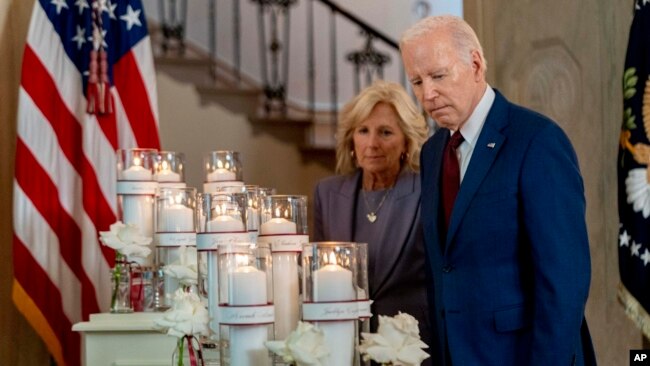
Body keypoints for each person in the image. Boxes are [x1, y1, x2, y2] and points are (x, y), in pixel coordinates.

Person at [399, 15, 596, 366]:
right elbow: (443, 269)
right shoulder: (432, 153)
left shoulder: (537, 141)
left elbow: (564, 283)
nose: (427, 94)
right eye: (416, 81)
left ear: (475, 64)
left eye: (438, 76)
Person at [312, 80, 432, 361]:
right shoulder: (327, 193)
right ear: (351, 140)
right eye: (363, 131)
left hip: (410, 346)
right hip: (343, 342)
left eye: (385, 132)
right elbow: (315, 276)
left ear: (406, 141)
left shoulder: (427, 191)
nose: (372, 143)